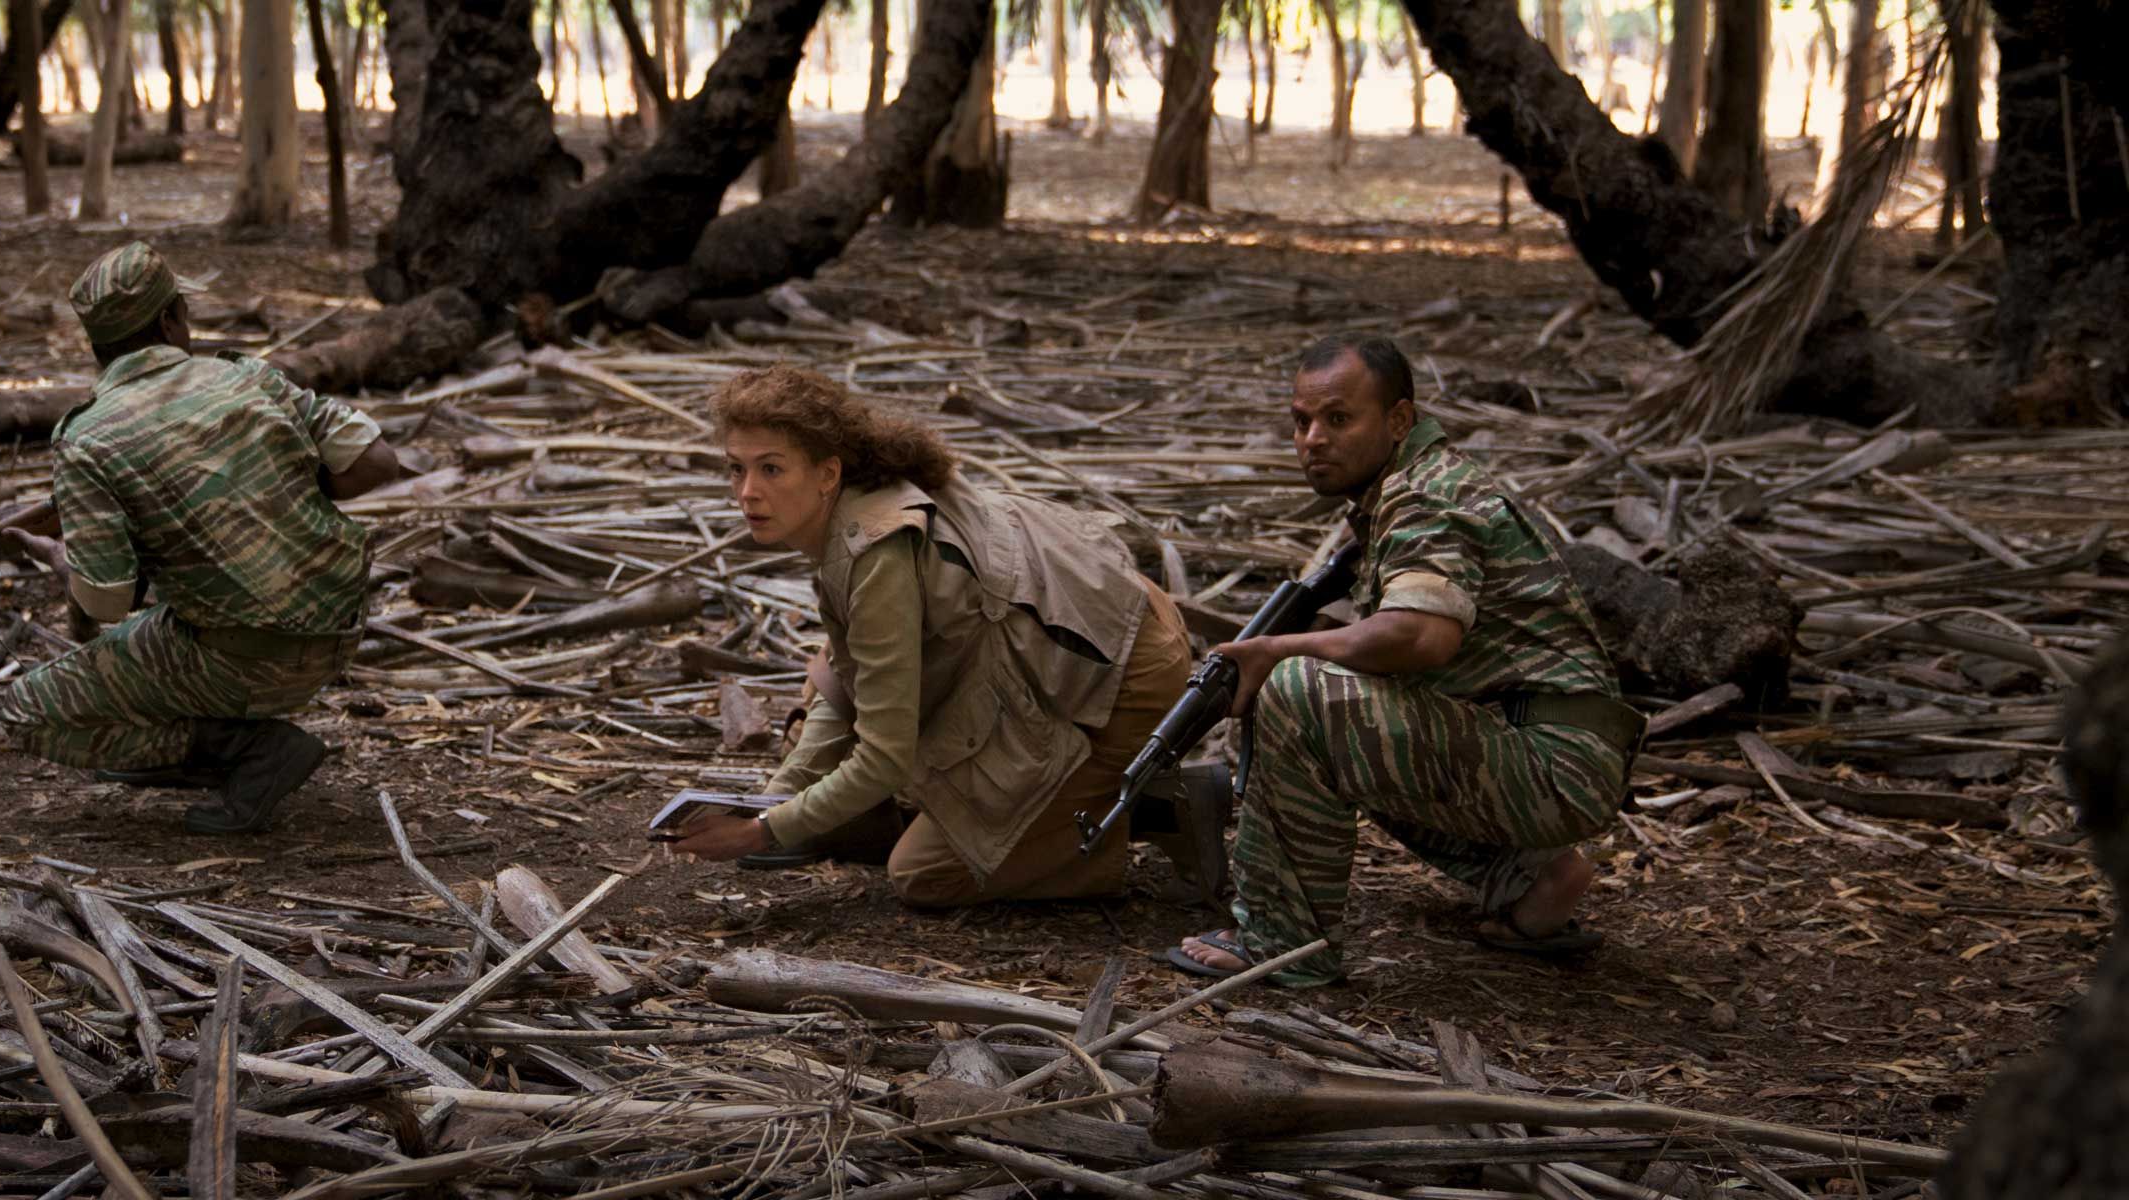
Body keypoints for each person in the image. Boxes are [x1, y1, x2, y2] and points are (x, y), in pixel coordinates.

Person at [1165, 333, 1643, 987]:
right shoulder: (1435, 482)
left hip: (1549, 758)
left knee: (1302, 692)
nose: (1313, 440)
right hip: (1555, 746)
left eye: (1338, 419)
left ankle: (1282, 941)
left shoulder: (1421, 496)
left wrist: (1278, 650)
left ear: (1398, 421)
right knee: (1354, 705)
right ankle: (1537, 878)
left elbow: (1422, 636)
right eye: (1301, 422)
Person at [665, 366, 1197, 907]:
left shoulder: (877, 548)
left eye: (772, 469)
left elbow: (884, 759)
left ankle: (1150, 809)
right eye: (737, 469)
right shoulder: (846, 514)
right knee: (821, 699)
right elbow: (847, 682)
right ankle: (1000, 810)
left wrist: (762, 831)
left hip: (1120, 676)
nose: (748, 492)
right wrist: (770, 801)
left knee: (927, 874)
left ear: (827, 474)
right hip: (1068, 639)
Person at [0, 243, 404, 835]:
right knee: (166, 626)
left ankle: (248, 752)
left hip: (239, 659)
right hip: (341, 628)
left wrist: (61, 558)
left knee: (26, 713)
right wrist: (279, 486)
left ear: (96, 344)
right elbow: (378, 462)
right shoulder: (247, 376)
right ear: (169, 320)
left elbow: (106, 602)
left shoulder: (87, 438)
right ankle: (235, 747)